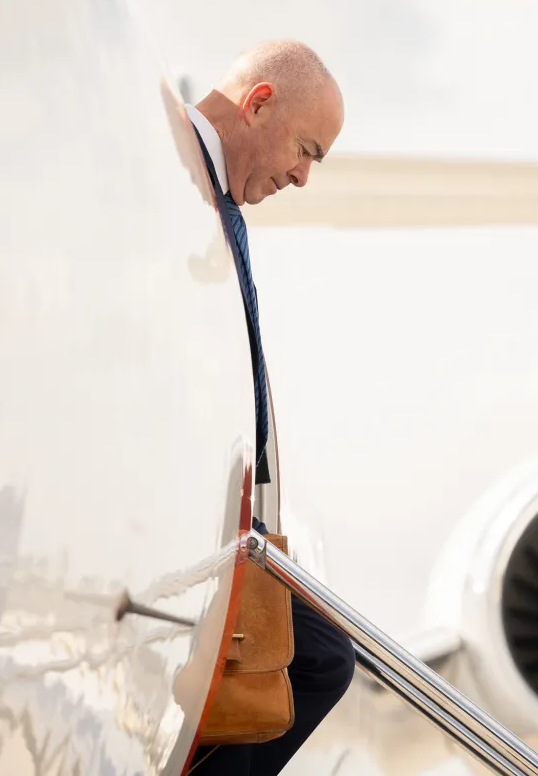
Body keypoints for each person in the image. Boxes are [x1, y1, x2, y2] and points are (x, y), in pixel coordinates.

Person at [184, 40, 353, 776]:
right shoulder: (178, 178)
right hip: (193, 521)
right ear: (258, 104)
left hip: (240, 524)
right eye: (306, 149)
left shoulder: (208, 197)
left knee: (316, 656)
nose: (303, 177)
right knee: (319, 659)